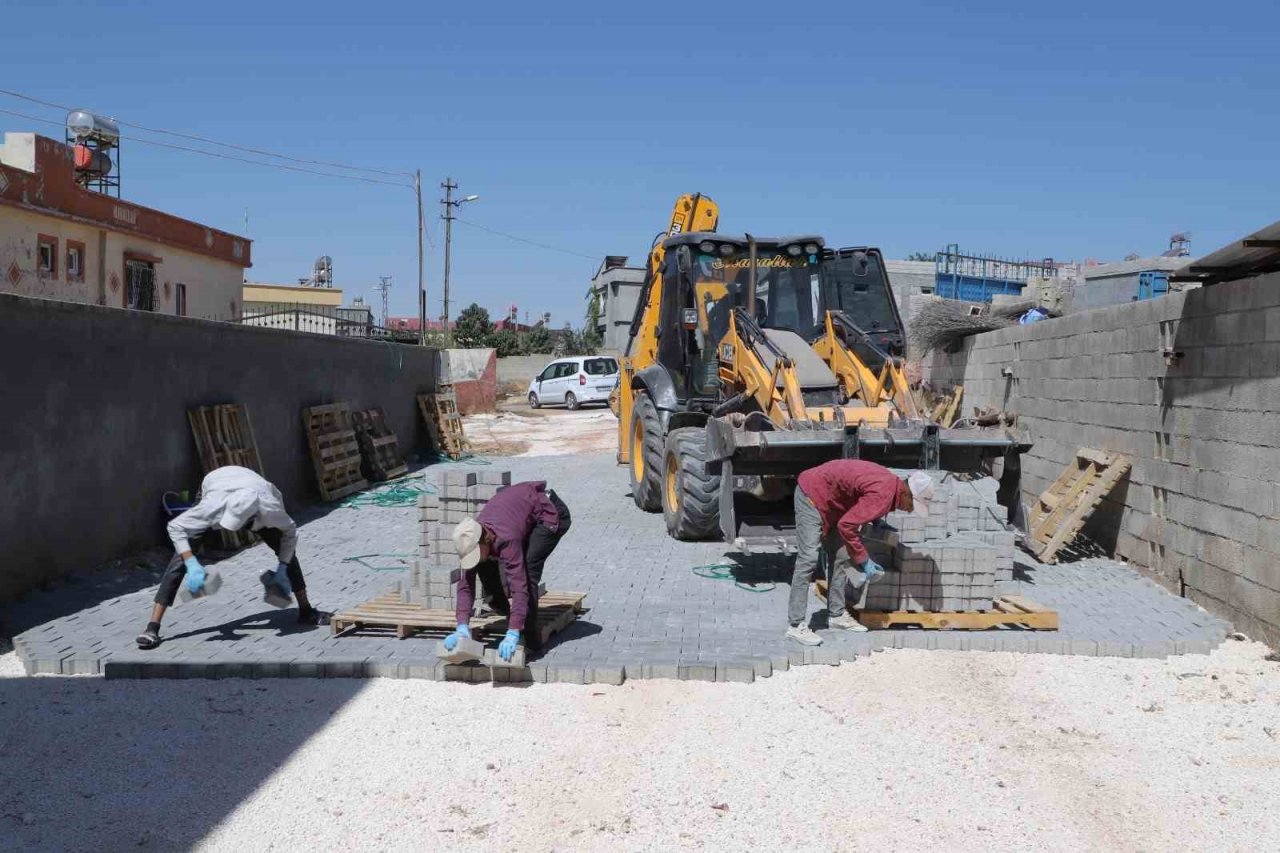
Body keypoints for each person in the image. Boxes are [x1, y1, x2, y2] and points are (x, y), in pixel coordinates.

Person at [135, 465, 327, 650]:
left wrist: (283, 567)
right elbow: (176, 528)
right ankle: (152, 627)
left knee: (287, 552)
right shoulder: (211, 506)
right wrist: (191, 563)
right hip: (217, 484)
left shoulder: (271, 510)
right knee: (181, 560)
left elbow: (290, 535)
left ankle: (306, 611)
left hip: (254, 490)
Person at [786, 460, 935, 646]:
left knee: (841, 555)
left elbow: (863, 494)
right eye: (912, 504)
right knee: (808, 559)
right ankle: (795, 624)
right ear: (905, 492)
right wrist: (864, 560)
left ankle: (836, 615)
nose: (910, 510)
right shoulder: (885, 493)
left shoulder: (891, 484)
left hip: (834, 502)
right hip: (812, 495)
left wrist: (876, 518)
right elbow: (847, 526)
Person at [443, 481, 571, 661]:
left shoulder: (506, 539)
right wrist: (462, 627)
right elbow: (465, 585)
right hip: (522, 513)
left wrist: (512, 632)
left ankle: (527, 639)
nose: (474, 557)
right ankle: (505, 609)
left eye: (476, 552)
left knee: (527, 570)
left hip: (549, 514)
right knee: (483, 563)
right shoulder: (470, 537)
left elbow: (520, 586)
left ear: (485, 540)